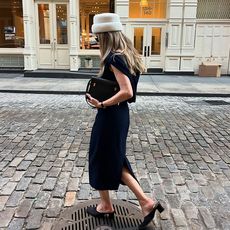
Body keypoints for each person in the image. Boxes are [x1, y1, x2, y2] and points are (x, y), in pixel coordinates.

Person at [86, 13, 164, 229]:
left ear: (105, 36)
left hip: (111, 115)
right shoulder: (127, 54)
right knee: (113, 158)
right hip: (119, 115)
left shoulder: (113, 58)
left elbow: (126, 91)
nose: (97, 41)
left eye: (98, 38)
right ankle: (111, 204)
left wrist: (102, 104)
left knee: (100, 155)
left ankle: (141, 202)